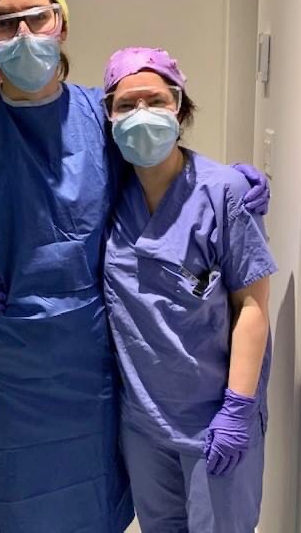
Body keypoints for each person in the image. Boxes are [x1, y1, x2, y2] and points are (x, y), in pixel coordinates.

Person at [0, 0, 269, 533]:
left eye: (36, 17)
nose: (22, 36)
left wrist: (223, 182)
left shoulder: (104, 115)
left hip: (95, 370)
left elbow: (161, 164)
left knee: (98, 508)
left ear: (61, 22)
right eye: (2, 24)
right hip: (11, 375)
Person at [102, 47, 277, 533]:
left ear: (181, 108)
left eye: (157, 100)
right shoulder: (108, 194)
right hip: (144, 423)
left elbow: (253, 308)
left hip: (214, 419)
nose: (142, 115)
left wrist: (238, 409)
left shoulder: (224, 193)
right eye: (125, 104)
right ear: (109, 117)